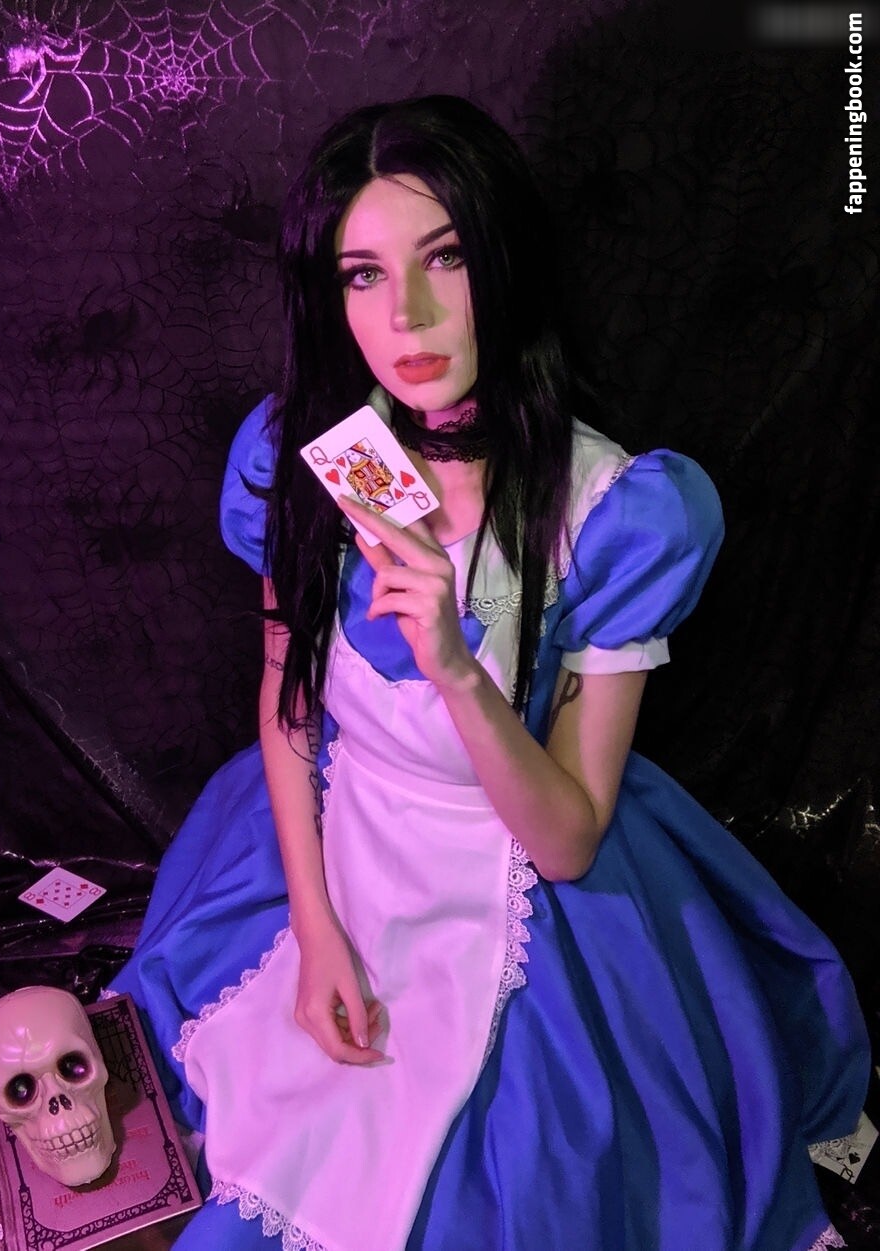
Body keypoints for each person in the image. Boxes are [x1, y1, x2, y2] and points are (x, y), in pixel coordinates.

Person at [110, 95, 869, 1251]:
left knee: (508, 1171)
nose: (406, 315)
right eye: (362, 274)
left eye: (446, 257)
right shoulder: (299, 454)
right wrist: (315, 930)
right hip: (338, 826)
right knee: (265, 1105)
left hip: (516, 855)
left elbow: (565, 843)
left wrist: (458, 668)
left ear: (502, 258)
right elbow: (290, 707)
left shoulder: (613, 509)